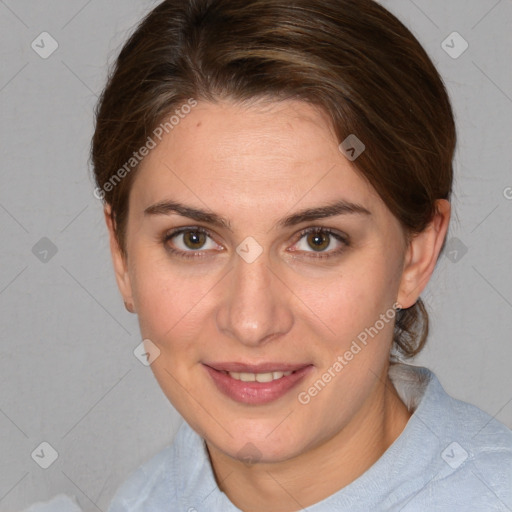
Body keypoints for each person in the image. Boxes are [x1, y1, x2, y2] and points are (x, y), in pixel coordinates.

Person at [90, 0, 512, 510]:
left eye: (318, 240)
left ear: (416, 254)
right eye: (194, 239)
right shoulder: (139, 501)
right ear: (121, 254)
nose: (250, 321)